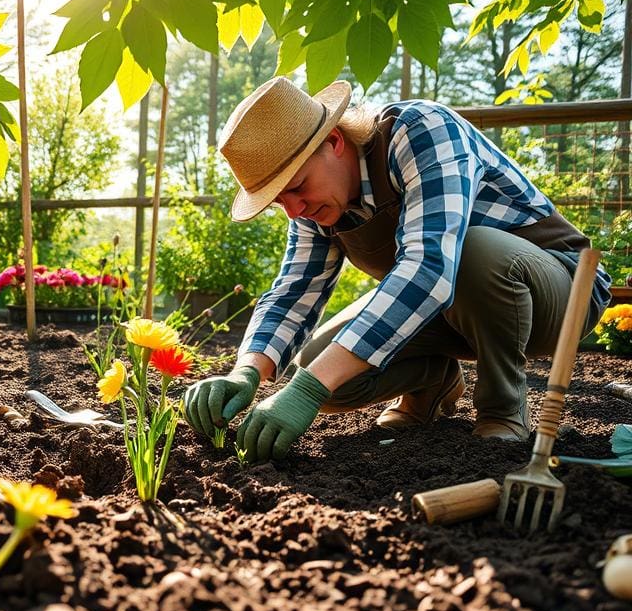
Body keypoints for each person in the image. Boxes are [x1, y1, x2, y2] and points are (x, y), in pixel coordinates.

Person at [183, 77, 612, 464]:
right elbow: (294, 292)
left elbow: (428, 267)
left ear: (333, 141)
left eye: (296, 188)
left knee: (471, 250)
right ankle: (434, 382)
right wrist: (248, 371)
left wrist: (308, 391)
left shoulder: (420, 131)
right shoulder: (316, 208)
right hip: (454, 312)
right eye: (279, 201)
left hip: (561, 293)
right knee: (318, 365)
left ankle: (502, 409)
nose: (294, 210)